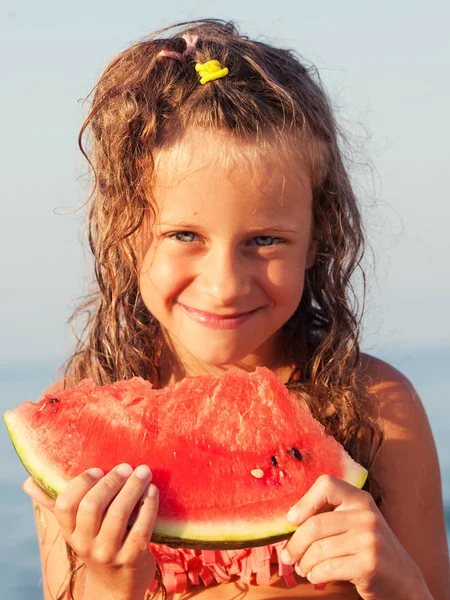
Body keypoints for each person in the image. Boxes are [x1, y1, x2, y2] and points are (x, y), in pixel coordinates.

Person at [21, 18, 449, 600]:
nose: (224, 285)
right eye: (183, 235)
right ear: (126, 232)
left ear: (318, 237)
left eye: (265, 241)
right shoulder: (82, 424)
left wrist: (393, 577)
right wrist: (108, 580)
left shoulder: (378, 408)